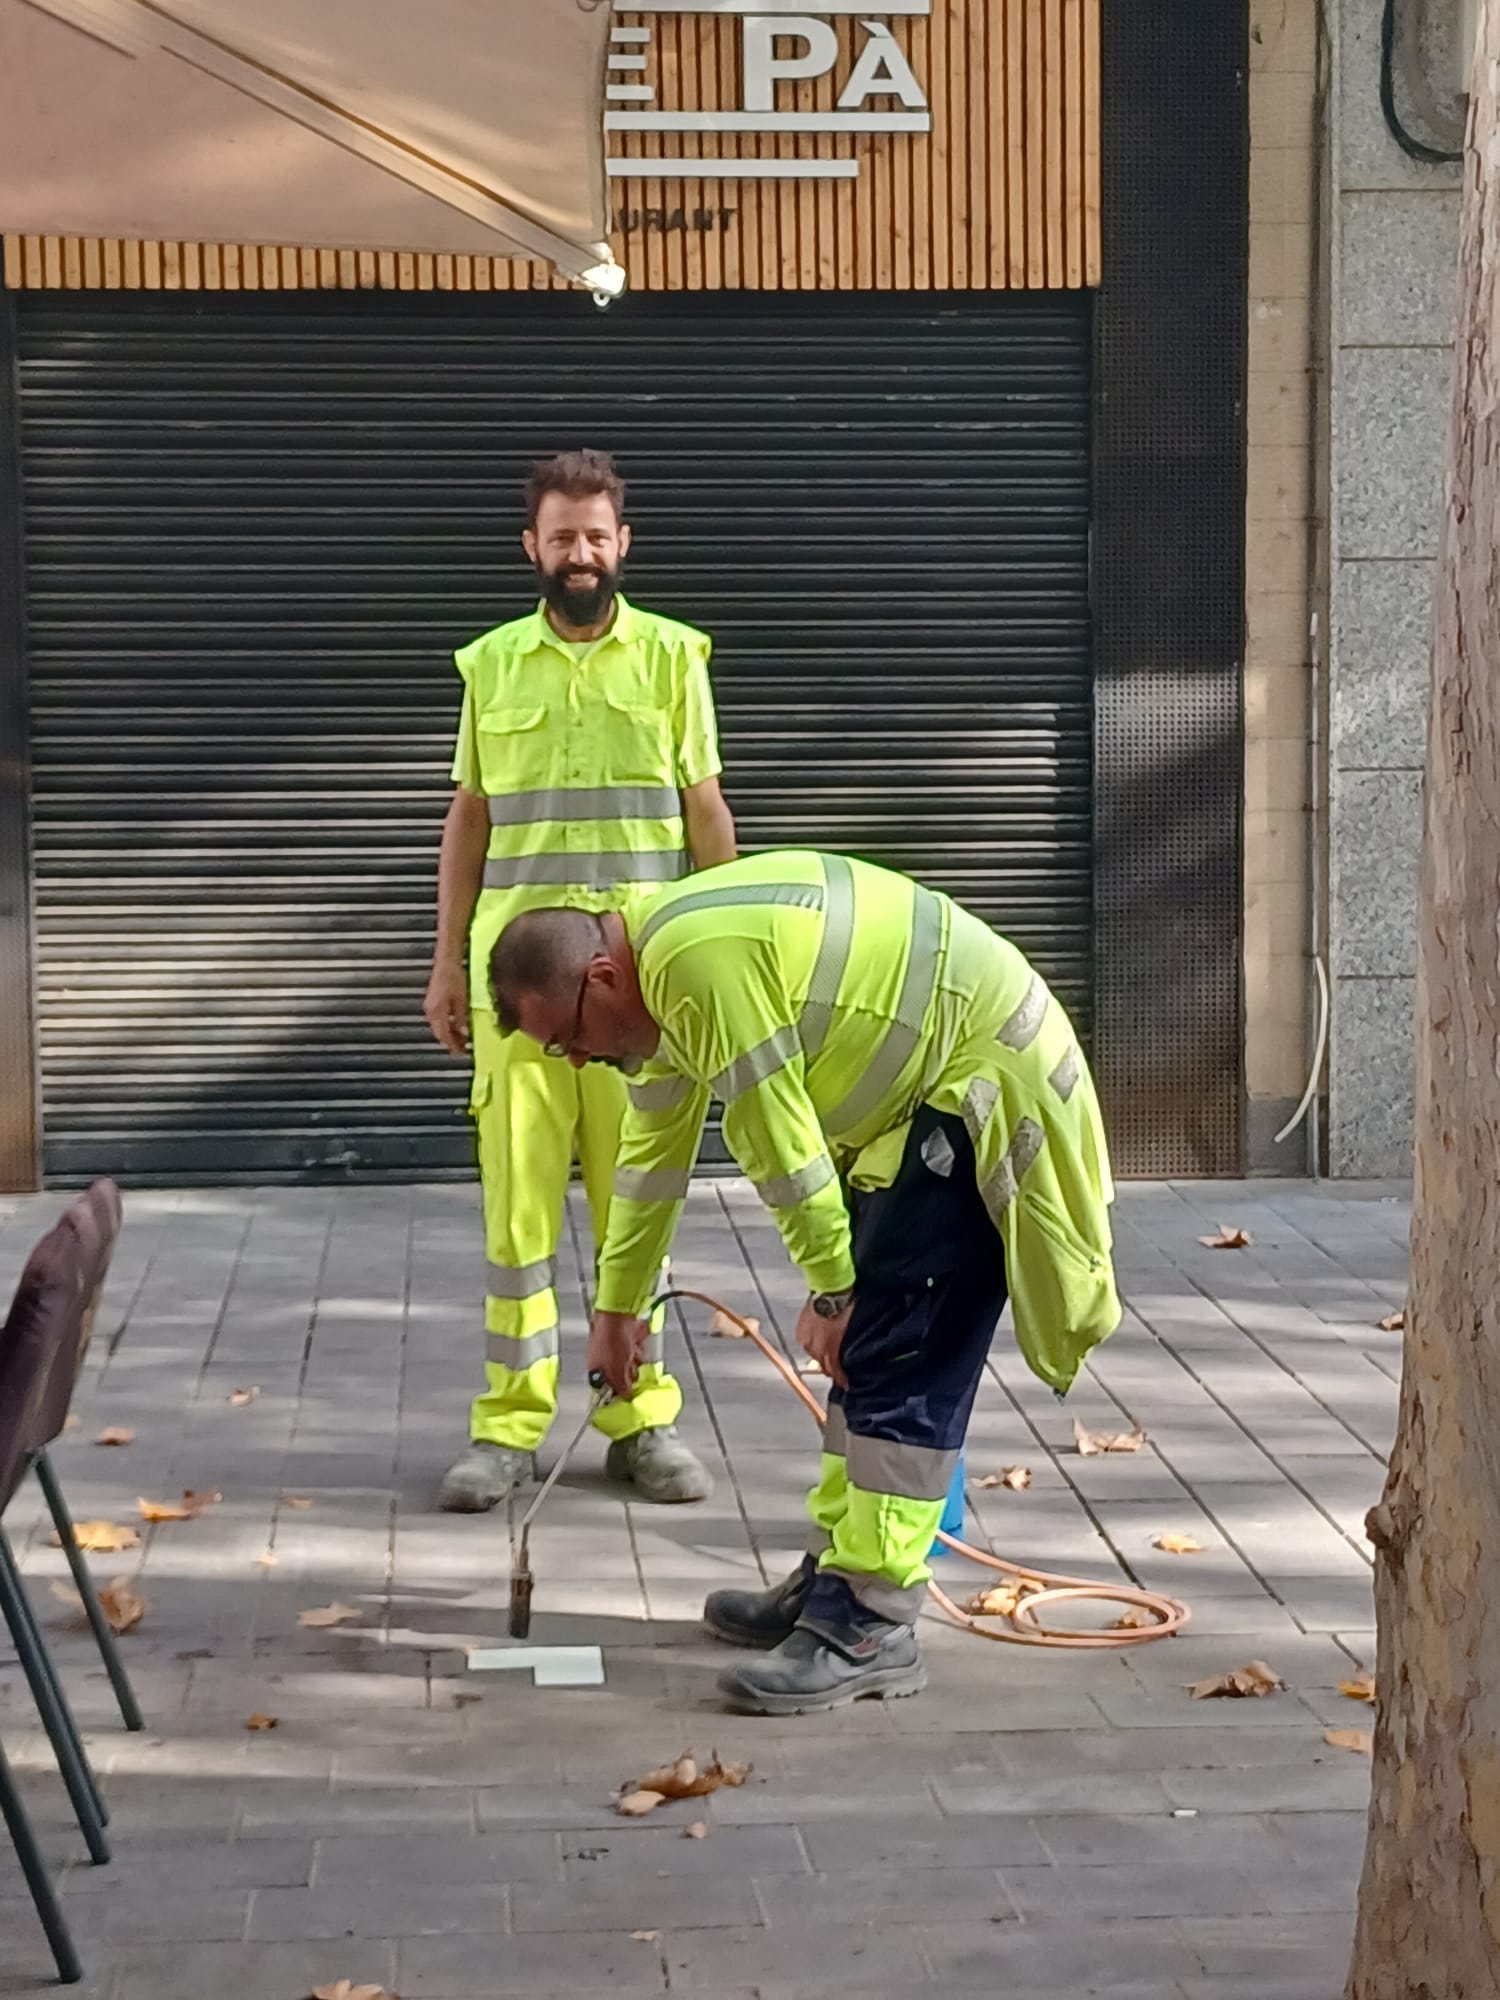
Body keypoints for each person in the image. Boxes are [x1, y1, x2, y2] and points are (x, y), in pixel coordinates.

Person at [488, 849, 1120, 1713]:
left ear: (600, 978)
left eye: (566, 1037)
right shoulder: (658, 981)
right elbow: (650, 1164)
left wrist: (833, 1292)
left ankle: (872, 1623)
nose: (573, 1060)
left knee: (899, 1353)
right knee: (868, 1348)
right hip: (919, 1098)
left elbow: (778, 1142)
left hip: (977, 1086)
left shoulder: (695, 966)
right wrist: (615, 1310)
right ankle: (840, 1575)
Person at [423, 449, 737, 1513]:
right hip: (519, 996)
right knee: (517, 1222)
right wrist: (444, 964)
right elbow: (467, 822)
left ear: (622, 543)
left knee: (633, 1209)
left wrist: (728, 959)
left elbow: (705, 813)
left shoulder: (673, 659)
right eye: (562, 536)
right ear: (533, 547)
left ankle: (637, 1420)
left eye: (596, 535)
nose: (580, 553)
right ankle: (509, 1427)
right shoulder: (491, 665)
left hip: (636, 998)